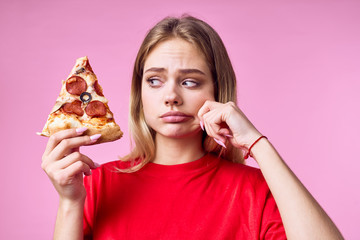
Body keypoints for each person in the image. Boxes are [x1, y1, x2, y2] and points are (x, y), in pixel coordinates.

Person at [41, 15, 344, 239]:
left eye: (190, 81)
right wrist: (69, 202)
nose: (171, 96)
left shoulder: (256, 191)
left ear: (216, 89)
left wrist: (257, 143)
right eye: (155, 81)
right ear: (140, 92)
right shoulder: (95, 184)